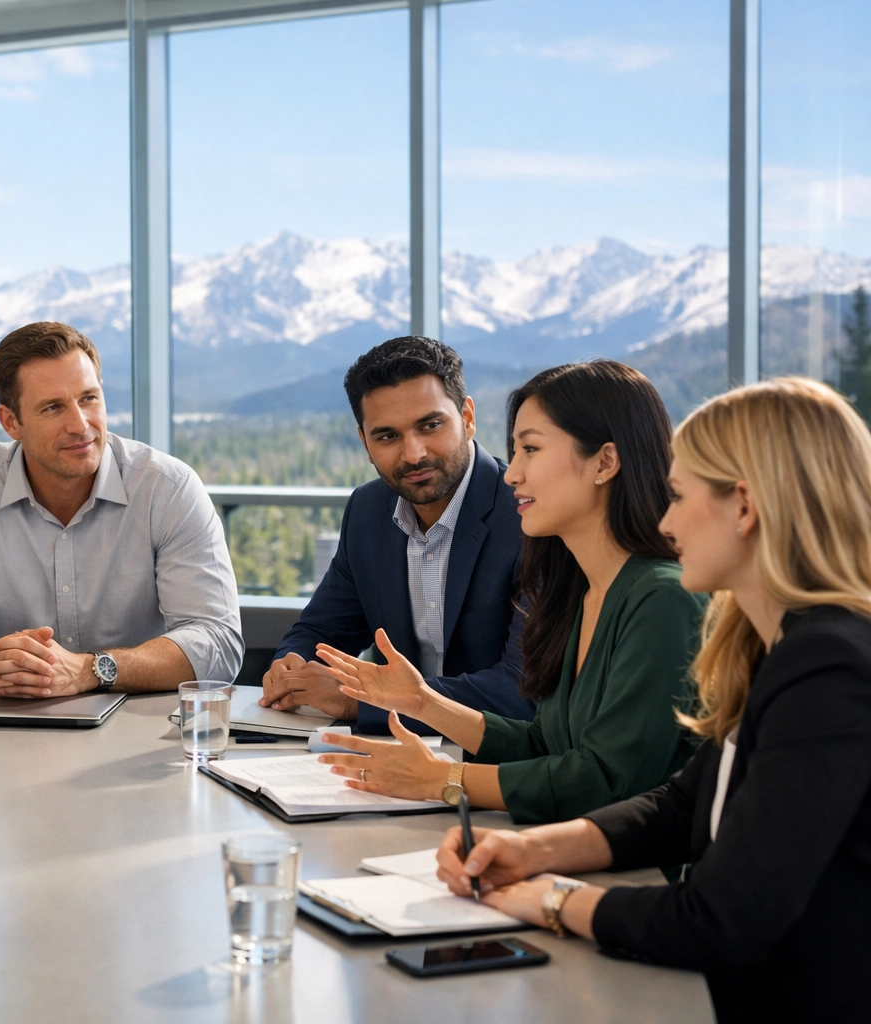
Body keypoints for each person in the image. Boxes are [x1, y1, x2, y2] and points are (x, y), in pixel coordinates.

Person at [434, 377, 871, 1022]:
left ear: (744, 507)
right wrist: (536, 851)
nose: (665, 522)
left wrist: (550, 900)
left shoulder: (829, 665)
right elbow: (680, 804)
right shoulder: (773, 645)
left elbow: (720, 917)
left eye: (680, 496)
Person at [314, 360, 705, 823]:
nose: (512, 474)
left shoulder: (662, 599)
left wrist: (444, 779)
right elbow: (544, 745)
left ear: (604, 462)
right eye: (514, 451)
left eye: (531, 450)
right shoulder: (584, 591)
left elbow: (604, 782)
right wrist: (421, 701)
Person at [0, 321, 242, 696]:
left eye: (89, 398)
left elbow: (217, 642)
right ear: (11, 422)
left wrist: (91, 670)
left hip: (141, 722)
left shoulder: (168, 489)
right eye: (53, 407)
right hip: (4, 715)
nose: (80, 425)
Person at [262, 336, 535, 733]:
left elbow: (520, 690)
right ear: (365, 442)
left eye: (431, 425)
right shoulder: (368, 511)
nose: (413, 454)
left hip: (495, 756)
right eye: (388, 436)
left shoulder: (528, 519)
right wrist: (293, 667)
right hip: (394, 752)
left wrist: (363, 700)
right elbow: (322, 631)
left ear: (467, 417)